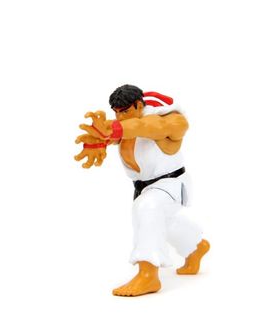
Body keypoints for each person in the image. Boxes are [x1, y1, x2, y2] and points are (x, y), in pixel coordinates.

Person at [75, 84, 210, 296]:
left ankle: (148, 275)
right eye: (116, 112)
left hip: (170, 184)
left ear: (139, 105)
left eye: (125, 111)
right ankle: (195, 246)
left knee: (147, 208)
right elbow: (118, 132)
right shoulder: (125, 125)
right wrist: (97, 141)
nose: (120, 117)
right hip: (144, 187)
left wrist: (115, 129)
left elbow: (147, 127)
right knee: (160, 222)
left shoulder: (171, 121)